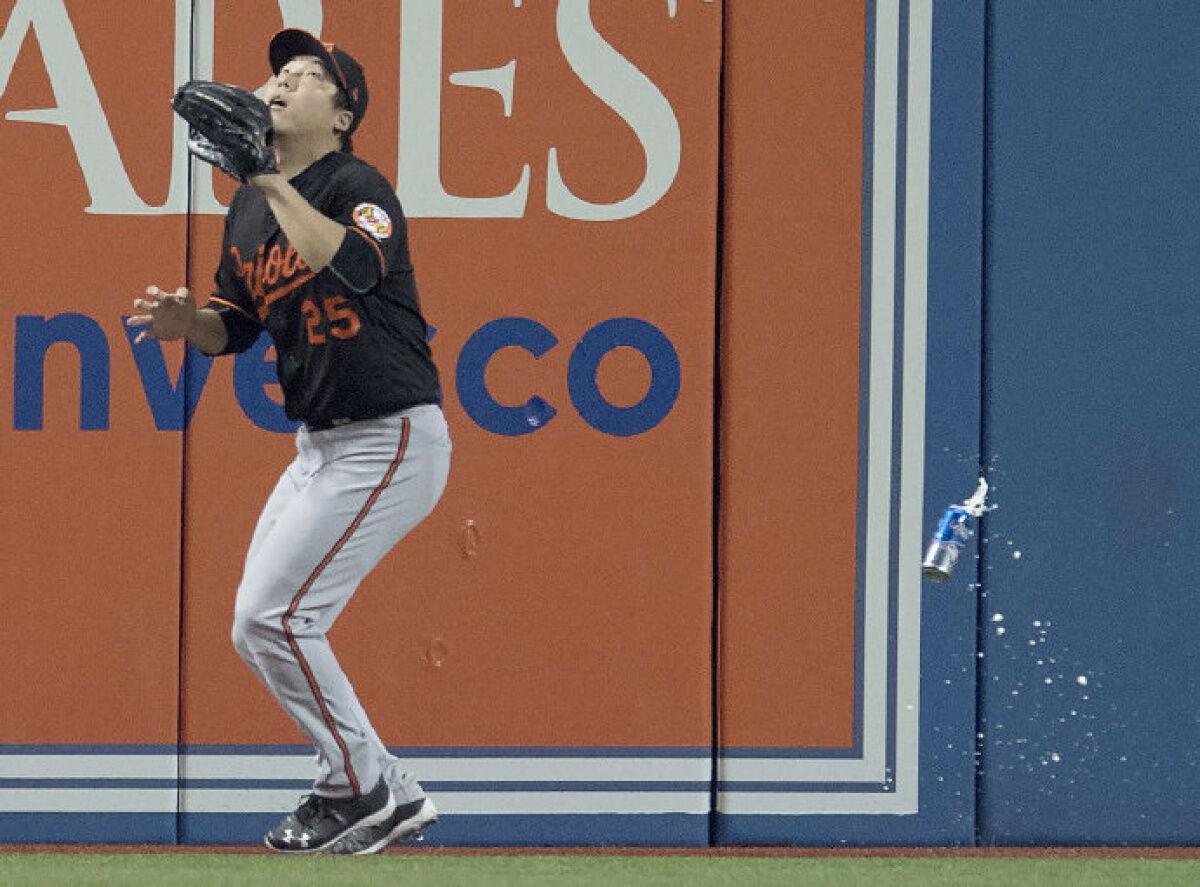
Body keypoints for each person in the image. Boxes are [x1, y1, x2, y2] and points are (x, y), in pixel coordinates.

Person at [128, 29, 449, 855]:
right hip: (324, 447)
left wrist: (267, 178)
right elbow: (233, 326)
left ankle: (353, 786)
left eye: (307, 78)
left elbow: (353, 266)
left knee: (276, 617)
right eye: (278, 72)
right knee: (257, 623)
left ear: (342, 116)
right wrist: (186, 322)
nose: (281, 83)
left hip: (391, 437)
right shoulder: (246, 204)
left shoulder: (356, 185)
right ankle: (392, 791)